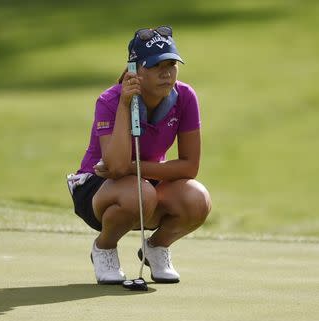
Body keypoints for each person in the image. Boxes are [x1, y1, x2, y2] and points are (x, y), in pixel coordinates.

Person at [67, 26, 212, 285]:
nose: (167, 73)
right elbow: (115, 167)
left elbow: (189, 167)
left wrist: (135, 167)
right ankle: (104, 248)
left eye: (171, 63)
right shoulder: (110, 101)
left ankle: (156, 248)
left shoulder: (185, 97)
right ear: (135, 70)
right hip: (97, 188)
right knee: (140, 193)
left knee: (197, 199)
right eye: (156, 65)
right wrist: (125, 105)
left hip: (144, 181)